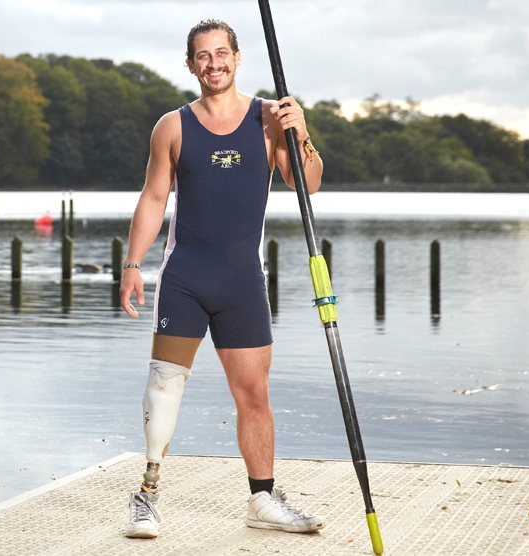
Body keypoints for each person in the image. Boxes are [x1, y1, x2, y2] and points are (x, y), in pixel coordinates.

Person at [116, 18, 324, 539]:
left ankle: (262, 499)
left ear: (237, 56)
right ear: (191, 65)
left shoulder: (269, 119)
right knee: (163, 389)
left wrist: (301, 133)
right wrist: (132, 264)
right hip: (185, 277)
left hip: (242, 283)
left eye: (222, 53)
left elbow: (309, 184)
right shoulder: (173, 126)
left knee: (254, 394)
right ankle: (147, 496)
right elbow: (153, 198)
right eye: (203, 56)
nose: (214, 63)